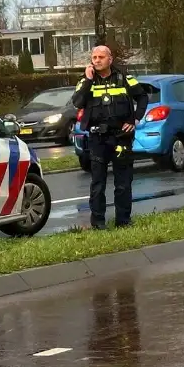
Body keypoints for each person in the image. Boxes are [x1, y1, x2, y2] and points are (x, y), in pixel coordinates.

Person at [71, 45, 148, 229]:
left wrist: (135, 119)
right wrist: (88, 80)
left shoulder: (124, 79)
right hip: (98, 138)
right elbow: (77, 102)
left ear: (110, 59)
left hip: (121, 137)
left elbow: (143, 97)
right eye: (94, 57)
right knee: (98, 183)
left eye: (101, 57)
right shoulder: (86, 81)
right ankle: (98, 224)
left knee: (123, 183)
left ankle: (123, 222)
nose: (97, 60)